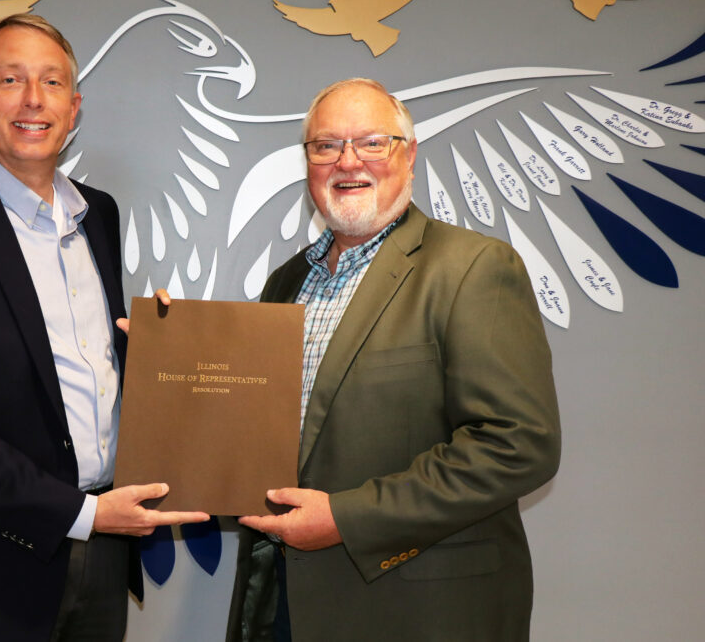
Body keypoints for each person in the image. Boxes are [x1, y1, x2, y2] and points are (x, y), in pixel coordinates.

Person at [0, 14, 208, 641]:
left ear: (73, 108)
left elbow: (81, 374)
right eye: (10, 80)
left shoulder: (98, 214)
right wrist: (78, 513)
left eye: (52, 82)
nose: (33, 99)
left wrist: (159, 353)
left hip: (106, 553)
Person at [226, 79, 561, 641]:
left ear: (409, 155)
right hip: (287, 605)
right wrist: (172, 363)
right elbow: (263, 434)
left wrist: (347, 519)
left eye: (371, 143)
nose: (347, 161)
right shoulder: (285, 283)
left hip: (422, 612)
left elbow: (518, 444)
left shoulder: (474, 267)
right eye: (325, 145)